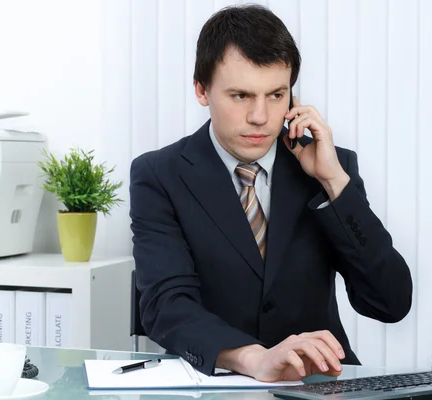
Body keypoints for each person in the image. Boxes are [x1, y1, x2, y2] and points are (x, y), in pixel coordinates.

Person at [128, 4, 412, 383]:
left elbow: (390, 302)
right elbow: (167, 306)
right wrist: (252, 359)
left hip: (320, 384)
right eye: (241, 96)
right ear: (201, 89)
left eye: (276, 95)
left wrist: (334, 183)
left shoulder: (330, 167)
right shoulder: (159, 174)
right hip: (216, 382)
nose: (261, 117)